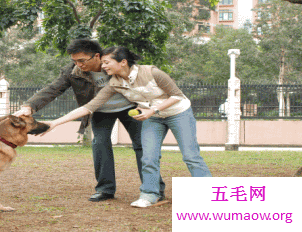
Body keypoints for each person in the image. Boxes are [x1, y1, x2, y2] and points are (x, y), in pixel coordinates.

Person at [41, 46, 212, 207]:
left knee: (191, 156)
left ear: (122, 62)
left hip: (178, 113)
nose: (103, 65)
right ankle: (149, 195)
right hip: (153, 117)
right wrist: (55, 123)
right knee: (148, 157)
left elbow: (177, 96)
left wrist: (153, 110)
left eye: (107, 62)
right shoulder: (114, 84)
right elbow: (89, 107)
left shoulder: (152, 72)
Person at [13, 39, 165, 202]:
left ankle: (154, 189)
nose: (78, 64)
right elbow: (53, 89)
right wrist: (29, 106)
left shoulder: (113, 63)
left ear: (97, 56)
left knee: (143, 146)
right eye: (74, 61)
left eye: (81, 60)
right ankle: (105, 189)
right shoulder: (73, 71)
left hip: (131, 108)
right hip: (99, 111)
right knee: (99, 144)